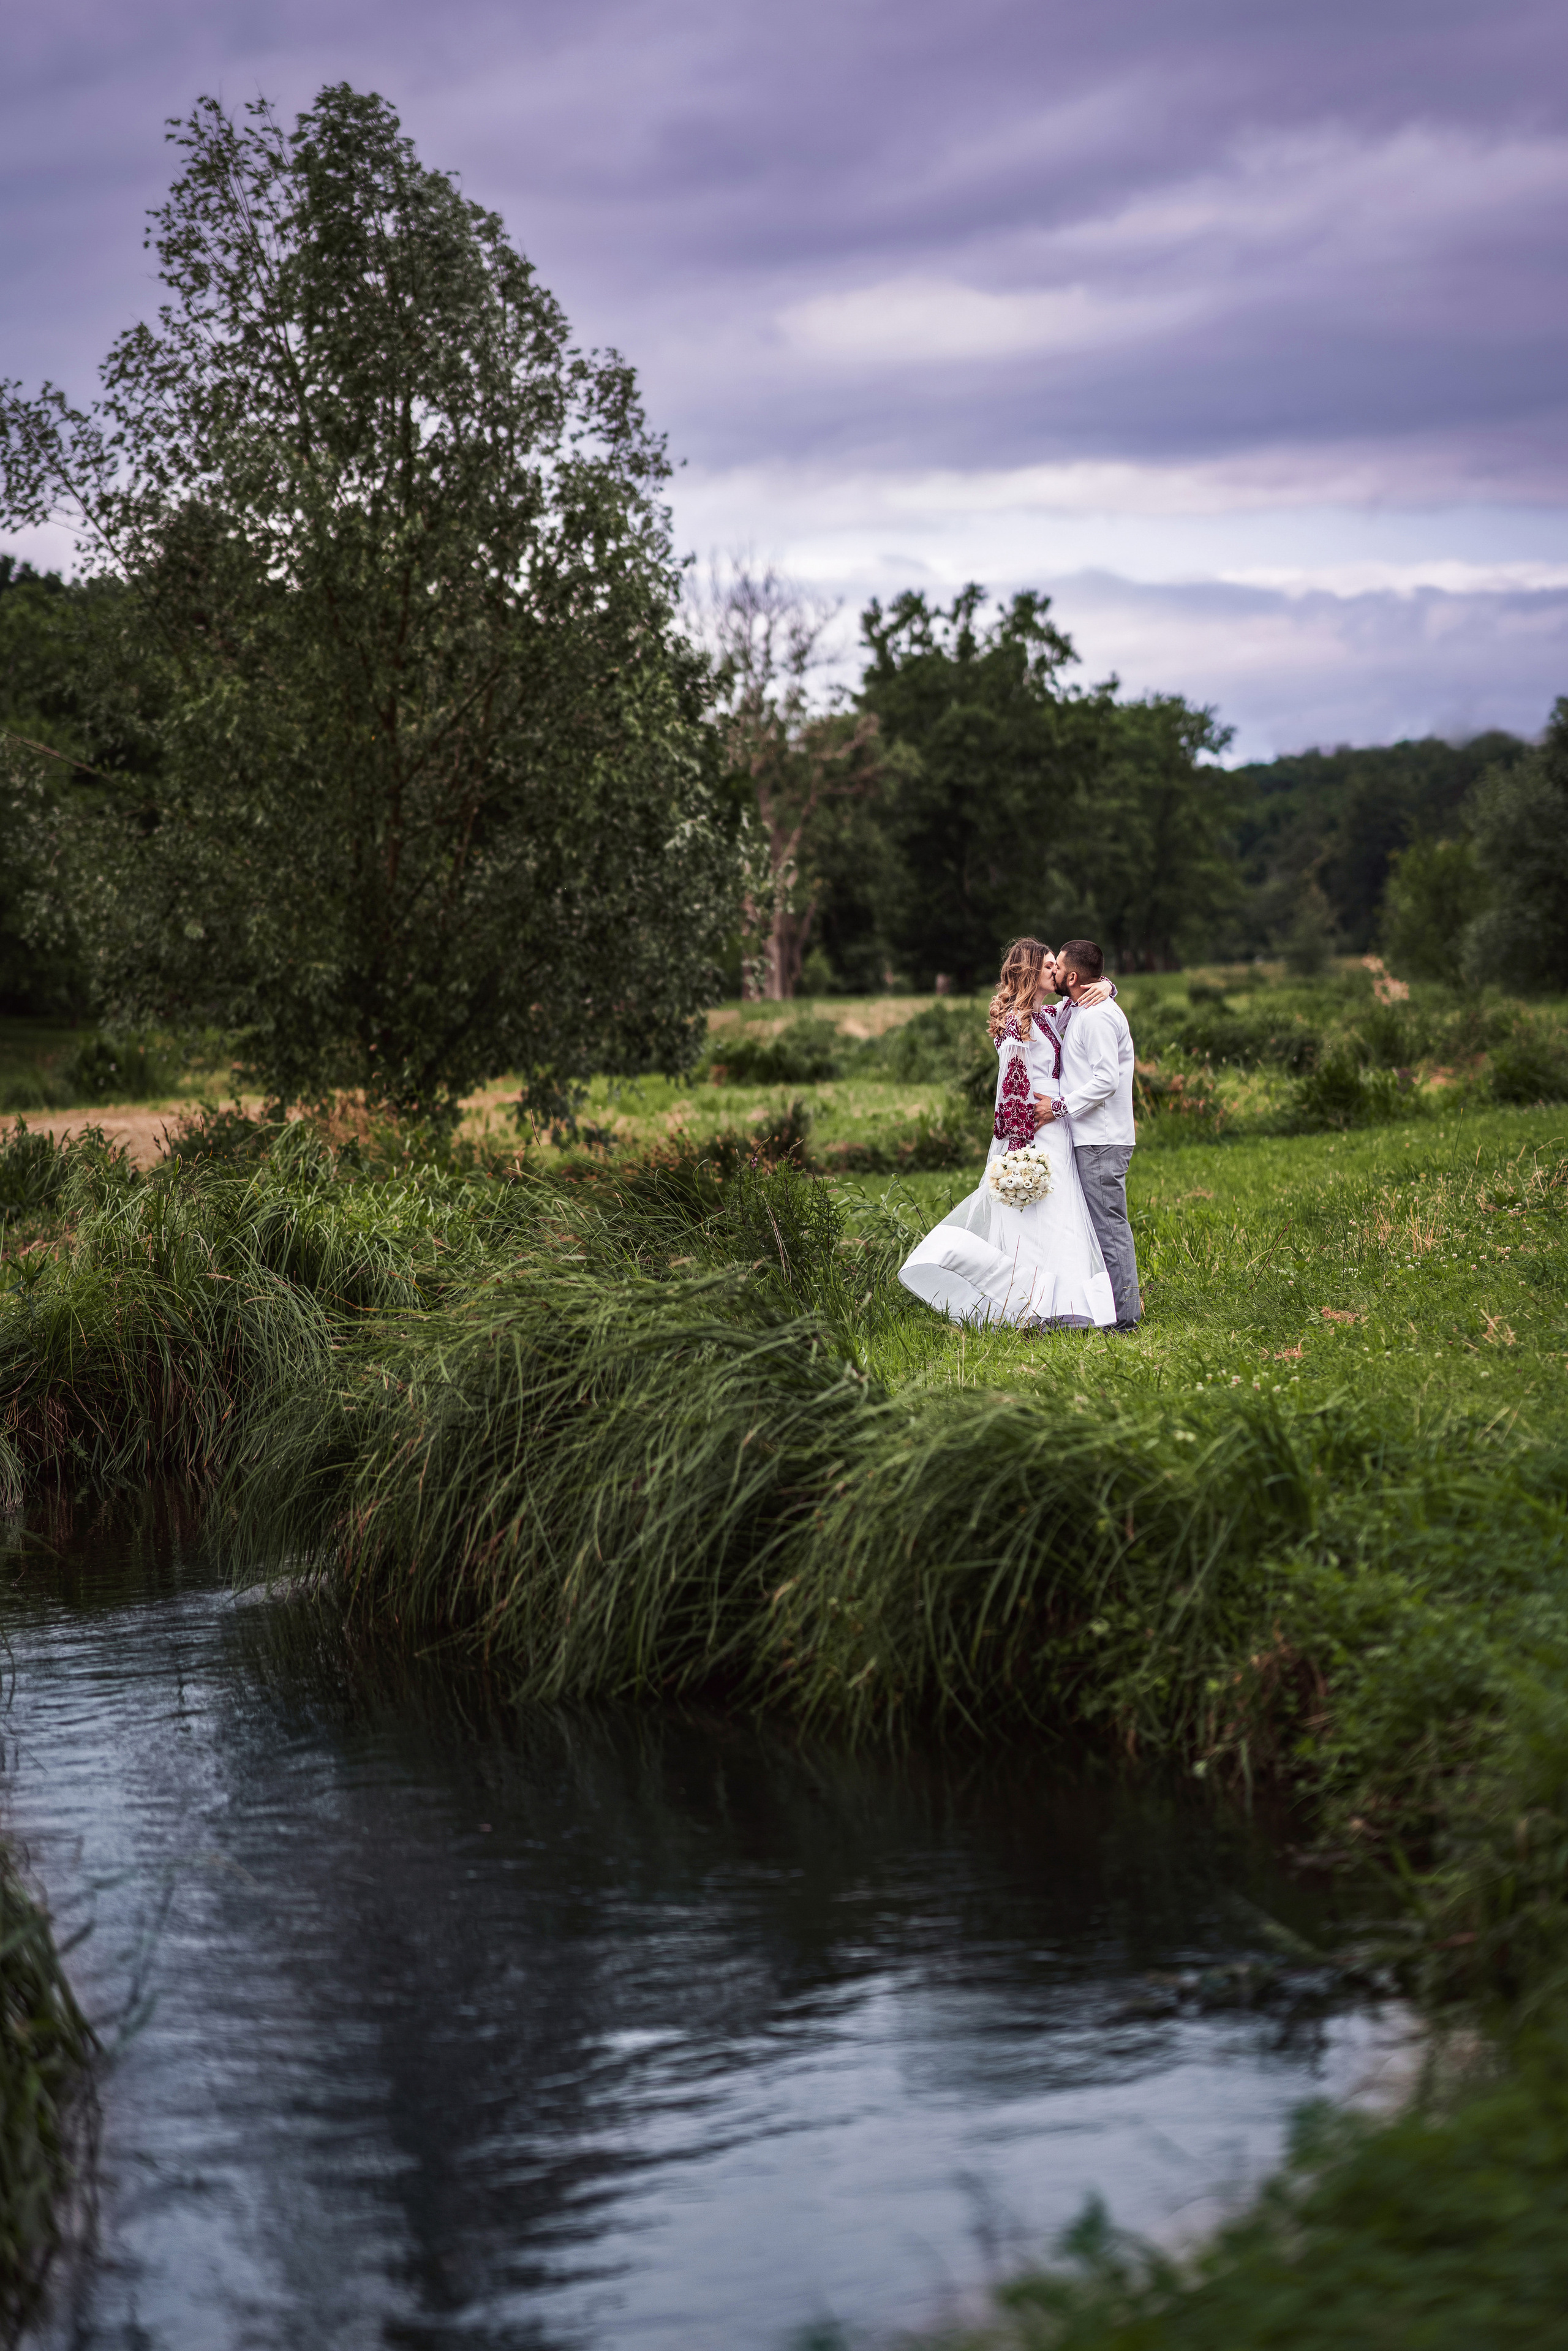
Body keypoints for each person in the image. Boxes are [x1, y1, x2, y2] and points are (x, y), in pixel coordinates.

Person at [897, 939, 1118, 1329]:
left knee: (1062, 1216)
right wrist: (1019, 1147)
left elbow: (1082, 992)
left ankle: (1068, 1303)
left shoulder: (1049, 1016)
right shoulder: (1017, 1024)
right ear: (1033, 972)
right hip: (1036, 1129)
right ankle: (1031, 1306)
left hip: (1058, 1126)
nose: (1058, 973)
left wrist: (1108, 986)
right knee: (1039, 1218)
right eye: (1050, 966)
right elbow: (1011, 1091)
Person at [1031, 937, 1140, 1330]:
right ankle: (1107, 1309)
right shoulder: (1076, 1007)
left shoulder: (1095, 1016)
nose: (1054, 972)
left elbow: (1106, 1081)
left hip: (1102, 1136)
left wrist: (1057, 1107)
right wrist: (1108, 984)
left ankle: (1126, 1317)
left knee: (1109, 1227)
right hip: (1090, 1134)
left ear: (1073, 975)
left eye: (1057, 967)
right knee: (1099, 1226)